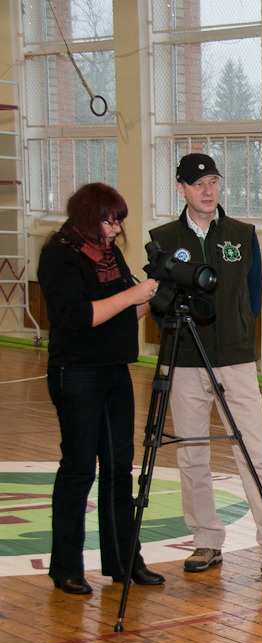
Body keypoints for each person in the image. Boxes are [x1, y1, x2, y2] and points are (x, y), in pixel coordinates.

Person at [149, 153, 262, 578]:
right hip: (185, 360)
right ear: (181, 188)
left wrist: (238, 331)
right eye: (198, 184)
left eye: (213, 182)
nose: (207, 191)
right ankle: (205, 540)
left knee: (255, 452)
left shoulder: (241, 233)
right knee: (192, 453)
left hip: (236, 360)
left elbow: (253, 298)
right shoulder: (163, 238)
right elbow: (158, 302)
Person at [39, 183, 165, 595]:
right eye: (109, 221)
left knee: (118, 469)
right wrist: (132, 293)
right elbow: (78, 316)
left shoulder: (110, 255)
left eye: (118, 222)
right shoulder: (59, 254)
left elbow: (128, 311)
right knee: (78, 469)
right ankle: (66, 567)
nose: (114, 230)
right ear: (87, 217)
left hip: (114, 371)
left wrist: (155, 291)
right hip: (75, 373)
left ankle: (123, 561)